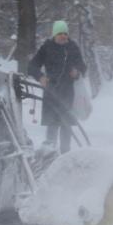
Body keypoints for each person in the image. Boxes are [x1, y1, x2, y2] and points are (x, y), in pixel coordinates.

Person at [28, 20, 86, 153]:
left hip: (68, 94)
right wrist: (40, 76)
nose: (63, 36)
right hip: (51, 92)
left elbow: (83, 66)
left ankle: (66, 155)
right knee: (52, 125)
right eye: (60, 33)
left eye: (65, 33)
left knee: (66, 127)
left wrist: (77, 72)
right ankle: (49, 154)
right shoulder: (47, 47)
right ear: (54, 34)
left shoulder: (72, 47)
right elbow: (31, 66)